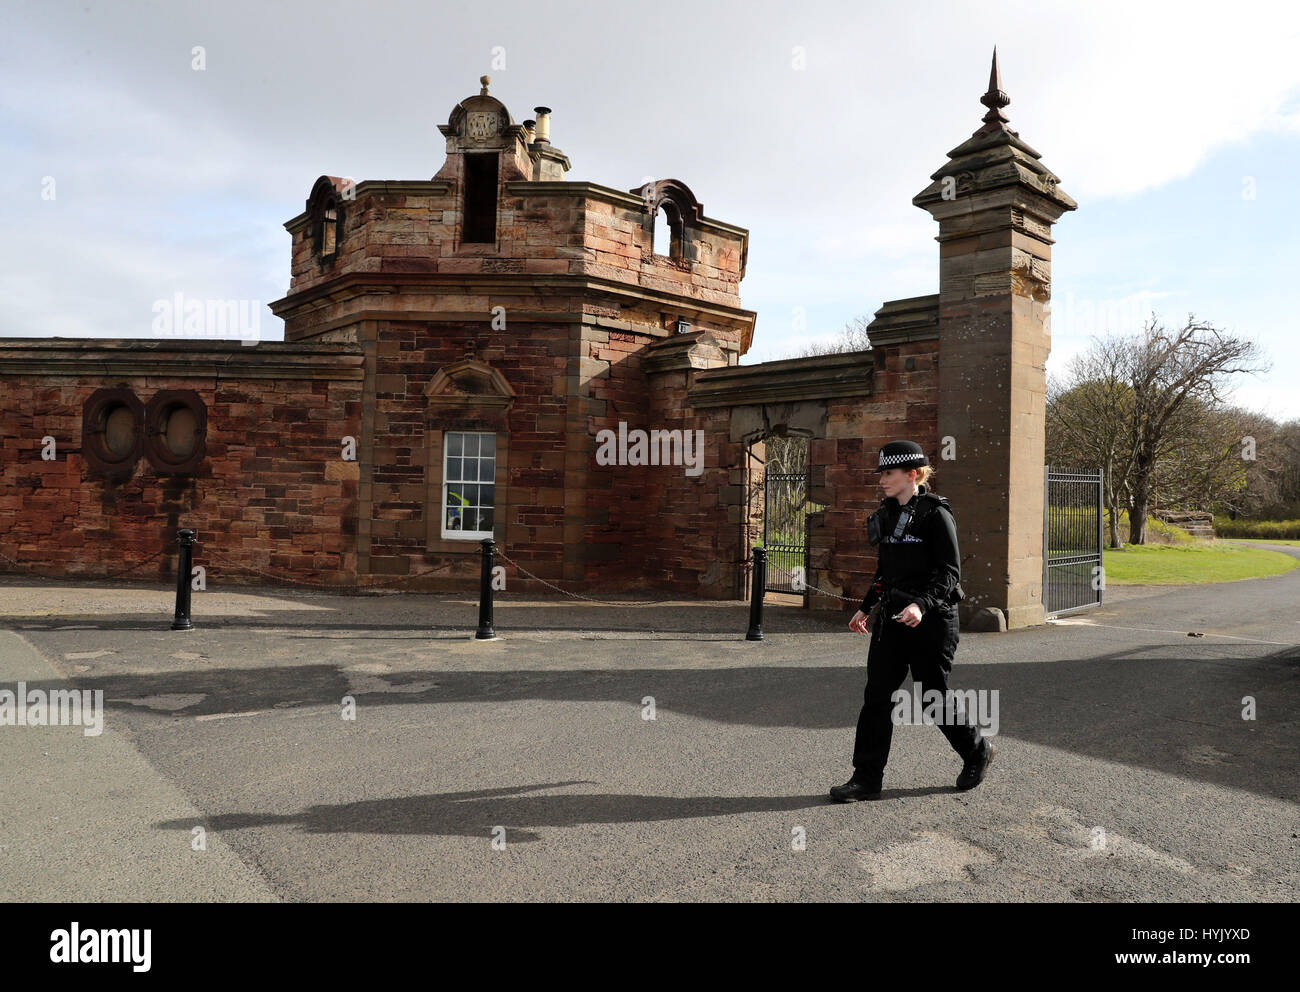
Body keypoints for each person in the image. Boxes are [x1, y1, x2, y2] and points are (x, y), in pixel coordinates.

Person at [829, 440, 994, 802]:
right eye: (882, 473)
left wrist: (921, 604)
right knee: (877, 697)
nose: (882, 480)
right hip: (893, 618)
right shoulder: (887, 515)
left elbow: (950, 573)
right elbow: (884, 572)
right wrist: (866, 607)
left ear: (912, 475)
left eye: (888, 473)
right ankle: (866, 778)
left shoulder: (937, 515)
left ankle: (976, 750)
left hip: (932, 621)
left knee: (932, 695)